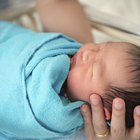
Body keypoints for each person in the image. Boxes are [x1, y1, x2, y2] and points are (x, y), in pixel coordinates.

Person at [37, 0, 140, 140]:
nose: (89, 50)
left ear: (103, 114)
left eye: (93, 70)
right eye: (100, 46)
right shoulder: (69, 48)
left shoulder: (62, 124)